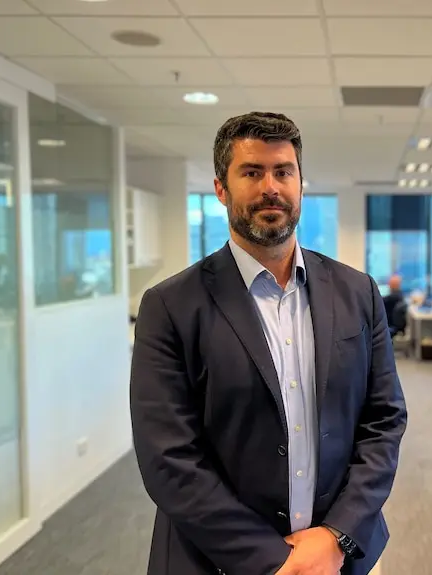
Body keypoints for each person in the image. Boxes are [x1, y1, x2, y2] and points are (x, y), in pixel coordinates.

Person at [130, 112, 407, 575]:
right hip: (219, 563)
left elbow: (384, 421)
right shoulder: (172, 306)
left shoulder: (357, 292)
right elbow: (169, 459)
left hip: (340, 557)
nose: (270, 187)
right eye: (252, 172)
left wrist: (337, 536)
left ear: (301, 183)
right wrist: (276, 562)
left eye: (283, 172)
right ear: (221, 188)